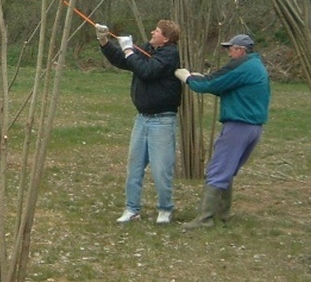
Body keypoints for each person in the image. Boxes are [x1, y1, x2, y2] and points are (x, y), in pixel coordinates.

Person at [174, 33, 271, 228]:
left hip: (238, 126)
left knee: (218, 169)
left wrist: (188, 79)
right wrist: (203, 79)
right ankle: (222, 214)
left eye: (230, 49)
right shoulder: (255, 67)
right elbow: (226, 86)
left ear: (241, 50)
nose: (228, 53)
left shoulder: (242, 66)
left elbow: (212, 83)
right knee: (228, 169)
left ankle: (205, 218)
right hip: (253, 128)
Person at [95, 20, 182, 225]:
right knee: (134, 168)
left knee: (161, 170)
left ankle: (165, 209)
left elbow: (147, 71)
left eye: (157, 31)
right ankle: (132, 209)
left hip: (162, 121)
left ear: (166, 38)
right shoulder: (146, 49)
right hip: (142, 119)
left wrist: (129, 50)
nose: (152, 32)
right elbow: (124, 61)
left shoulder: (170, 55)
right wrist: (105, 41)